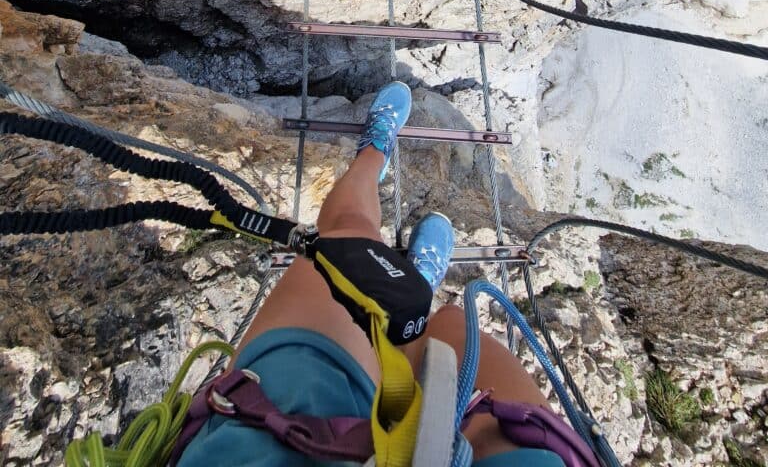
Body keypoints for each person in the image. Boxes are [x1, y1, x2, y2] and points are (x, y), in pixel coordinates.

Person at [177, 82, 569, 466]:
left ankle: (373, 157)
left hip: (285, 428)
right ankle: (410, 297)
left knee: (347, 234)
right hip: (285, 432)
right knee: (451, 329)